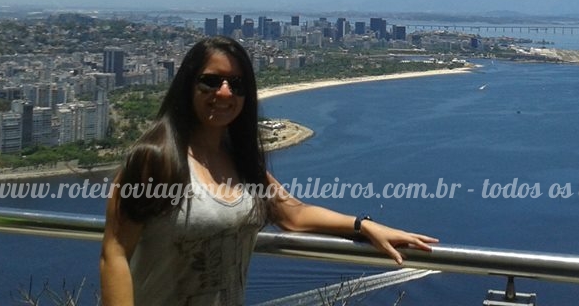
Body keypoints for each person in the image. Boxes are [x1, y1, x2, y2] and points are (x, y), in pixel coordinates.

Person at [100, 36, 437, 306]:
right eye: (210, 81)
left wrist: (363, 226)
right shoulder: (153, 160)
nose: (224, 93)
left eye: (237, 83)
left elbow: (293, 214)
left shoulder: (242, 163)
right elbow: (114, 254)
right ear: (188, 86)